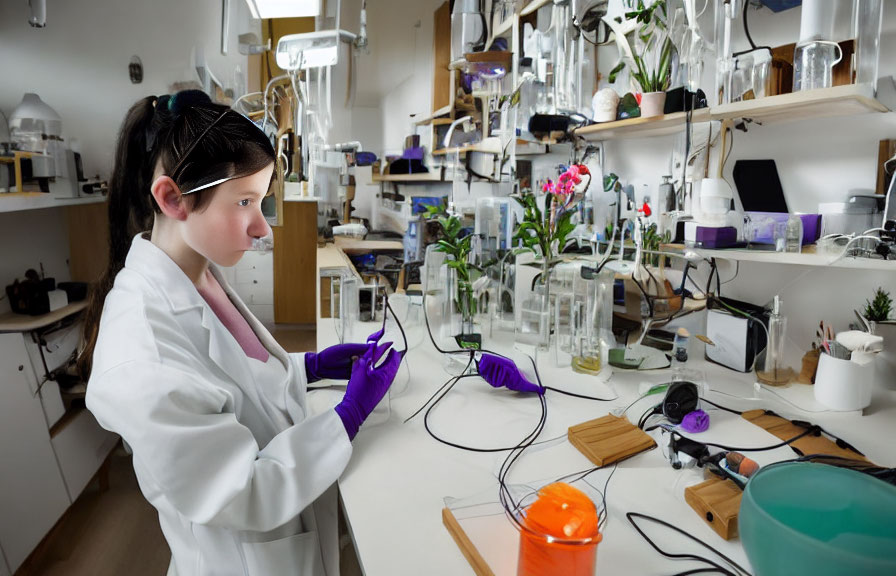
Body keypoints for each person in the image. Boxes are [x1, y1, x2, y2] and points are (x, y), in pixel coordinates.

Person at [79, 90, 402, 576]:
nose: (263, 228)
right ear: (172, 198)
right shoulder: (141, 355)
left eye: (262, 200)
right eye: (245, 201)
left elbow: (233, 382)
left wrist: (306, 367)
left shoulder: (196, 272)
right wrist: (347, 415)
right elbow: (242, 489)